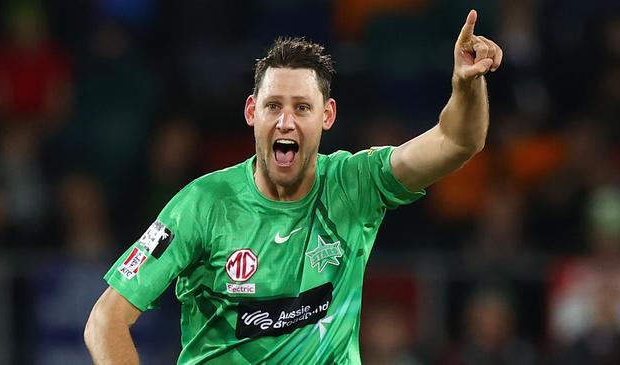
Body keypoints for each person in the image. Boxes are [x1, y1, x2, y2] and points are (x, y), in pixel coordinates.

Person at [84, 10, 503, 364]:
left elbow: (457, 142)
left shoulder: (355, 184)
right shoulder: (202, 204)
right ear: (252, 112)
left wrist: (467, 85)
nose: (286, 121)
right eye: (273, 106)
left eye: (302, 107)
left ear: (328, 115)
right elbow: (106, 319)